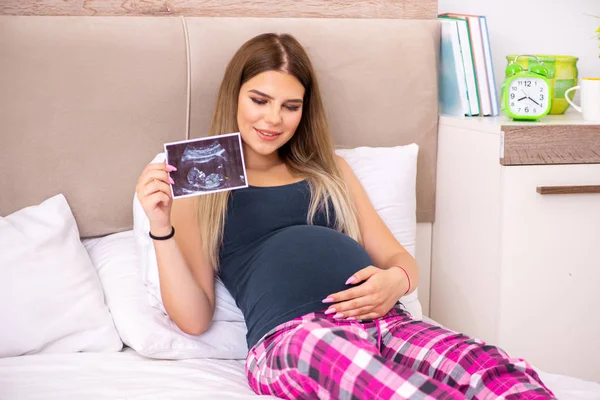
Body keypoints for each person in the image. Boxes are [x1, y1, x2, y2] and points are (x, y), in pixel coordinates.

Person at [135, 33, 555, 400]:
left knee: (495, 371)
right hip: (296, 338)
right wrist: (160, 226)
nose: (273, 119)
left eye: (290, 106)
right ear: (235, 96)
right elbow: (193, 318)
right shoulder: (204, 184)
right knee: (396, 389)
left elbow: (399, 260)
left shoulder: (331, 171)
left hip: (387, 322)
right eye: (259, 100)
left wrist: (396, 281)